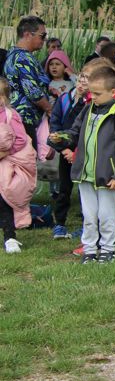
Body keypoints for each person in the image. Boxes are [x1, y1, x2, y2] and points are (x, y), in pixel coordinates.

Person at [49, 66, 115, 263]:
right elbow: (74, 132)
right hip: (85, 174)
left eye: (97, 93)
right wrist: (61, 137)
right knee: (88, 216)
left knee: (106, 215)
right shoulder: (87, 109)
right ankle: (89, 249)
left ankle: (107, 249)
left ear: (113, 92)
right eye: (91, 93)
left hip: (108, 176)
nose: (92, 97)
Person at [49, 72, 89, 239]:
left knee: (84, 190)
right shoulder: (65, 99)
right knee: (64, 188)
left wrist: (76, 153)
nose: (80, 85)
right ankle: (59, 223)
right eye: (79, 81)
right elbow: (55, 124)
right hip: (65, 149)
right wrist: (64, 150)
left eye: (85, 83)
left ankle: (86, 224)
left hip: (83, 151)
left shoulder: (90, 103)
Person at [0, 77, 37, 254]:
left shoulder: (10, 115)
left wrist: (5, 152)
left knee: (5, 196)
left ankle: (10, 237)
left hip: (8, 163)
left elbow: (21, 139)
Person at [3, 15, 51, 150]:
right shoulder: (23, 58)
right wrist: (50, 109)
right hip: (24, 120)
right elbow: (33, 92)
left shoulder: (13, 54)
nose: (44, 40)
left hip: (16, 118)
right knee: (27, 159)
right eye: (42, 35)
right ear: (28, 34)